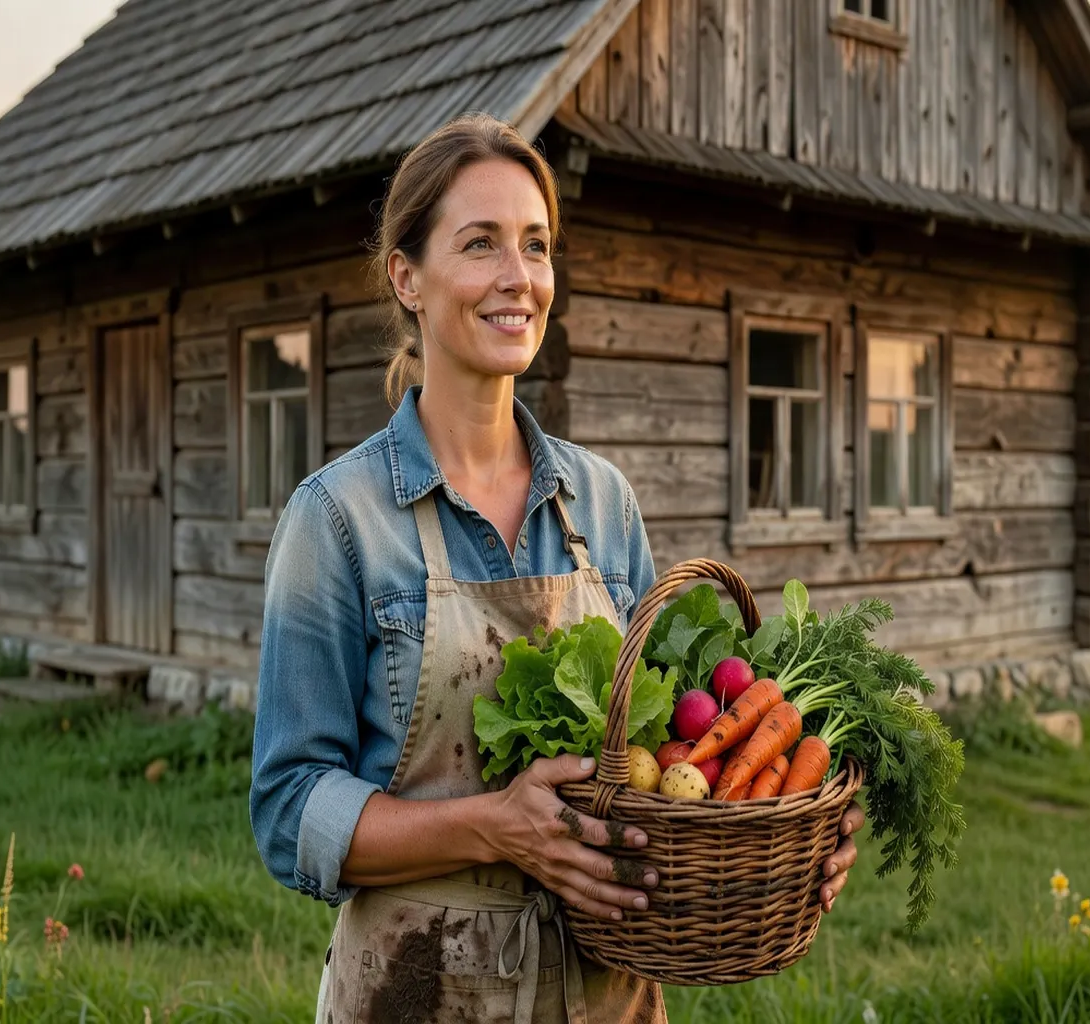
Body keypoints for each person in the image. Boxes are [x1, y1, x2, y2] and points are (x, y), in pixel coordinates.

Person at [250, 111, 865, 1024]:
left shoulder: (602, 501)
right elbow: (290, 811)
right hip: (418, 991)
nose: (519, 278)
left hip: (605, 997)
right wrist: (492, 828)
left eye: (536, 246)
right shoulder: (338, 520)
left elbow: (670, 753)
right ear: (407, 278)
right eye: (481, 244)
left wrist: (781, 827)